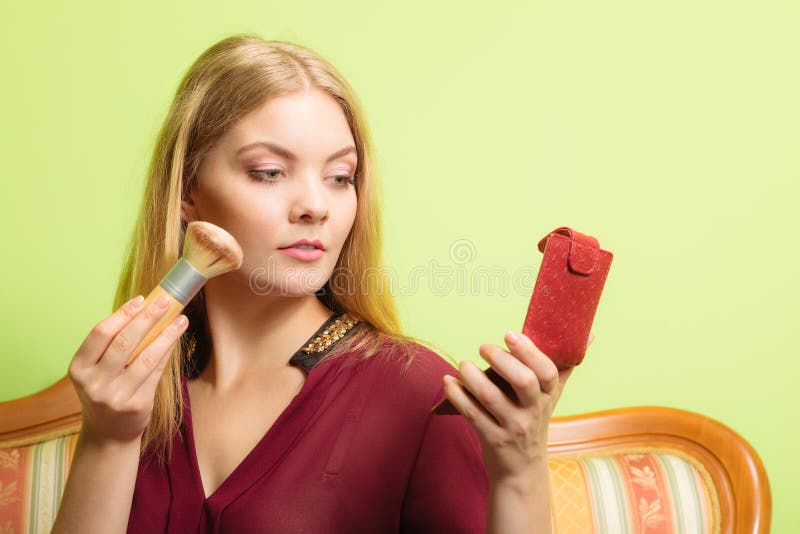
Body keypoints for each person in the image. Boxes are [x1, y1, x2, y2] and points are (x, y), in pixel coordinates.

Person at [52, 34, 579, 533]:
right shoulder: (133, 392)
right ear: (187, 190)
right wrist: (106, 439)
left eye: (340, 176)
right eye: (269, 171)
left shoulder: (418, 395)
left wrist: (522, 470)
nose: (316, 207)